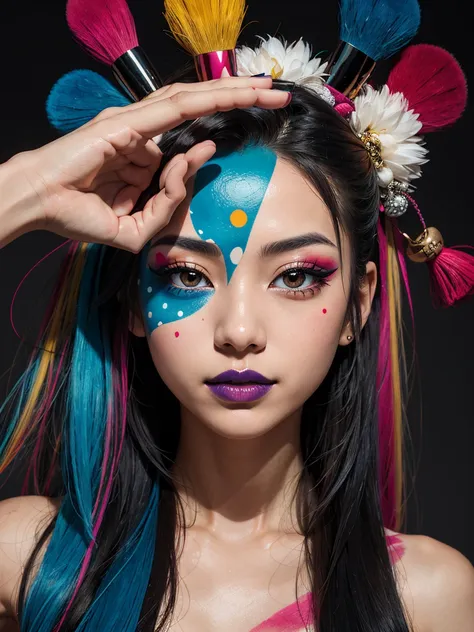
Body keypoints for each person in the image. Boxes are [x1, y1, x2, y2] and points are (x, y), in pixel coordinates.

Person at [0, 3, 473, 632]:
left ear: (358, 305)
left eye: (297, 277)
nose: (240, 332)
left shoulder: (427, 598)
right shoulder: (29, 562)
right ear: (135, 299)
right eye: (187, 276)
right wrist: (24, 189)